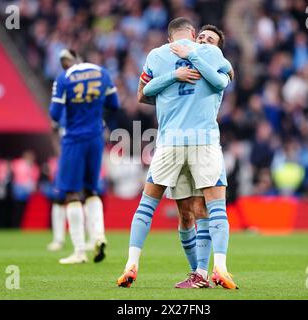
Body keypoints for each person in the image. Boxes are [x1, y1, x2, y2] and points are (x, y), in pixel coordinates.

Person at [117, 18, 237, 289]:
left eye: (210, 39)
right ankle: (213, 268)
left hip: (171, 142)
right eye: (202, 37)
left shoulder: (157, 55)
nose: (204, 41)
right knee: (202, 209)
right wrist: (179, 73)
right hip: (201, 142)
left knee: (151, 205)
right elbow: (225, 78)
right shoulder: (212, 54)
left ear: (171, 38)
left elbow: (142, 93)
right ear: (193, 35)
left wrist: (172, 77)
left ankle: (133, 264)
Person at [49, 49, 120, 264]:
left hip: (73, 139)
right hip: (96, 137)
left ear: (66, 63)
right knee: (91, 190)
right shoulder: (102, 72)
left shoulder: (64, 78)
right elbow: (114, 105)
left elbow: (54, 114)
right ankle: (99, 235)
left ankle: (79, 251)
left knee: (71, 193)